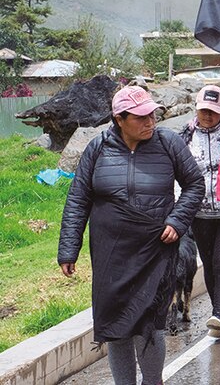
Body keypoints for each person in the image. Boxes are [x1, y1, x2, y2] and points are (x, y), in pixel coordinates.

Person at [59, 86, 204, 385]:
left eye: (151, 114)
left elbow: (194, 184)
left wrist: (177, 221)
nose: (150, 121)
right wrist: (68, 250)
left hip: (155, 251)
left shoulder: (168, 143)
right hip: (112, 254)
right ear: (119, 119)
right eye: (140, 117)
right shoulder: (98, 148)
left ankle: (153, 381)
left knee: (150, 325)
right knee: (116, 326)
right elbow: (78, 199)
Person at [178, 85, 220, 337]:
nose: (208, 116)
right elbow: (176, 175)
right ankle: (217, 309)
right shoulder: (185, 137)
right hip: (198, 213)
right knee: (210, 263)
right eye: (203, 110)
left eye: (213, 111)